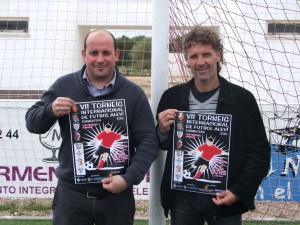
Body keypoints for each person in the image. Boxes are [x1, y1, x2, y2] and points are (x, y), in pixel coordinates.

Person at [25, 29, 158, 225]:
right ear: (84, 54)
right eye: (94, 53)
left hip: (117, 198)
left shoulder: (133, 93)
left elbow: (148, 141)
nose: (100, 59)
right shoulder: (63, 85)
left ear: (117, 54)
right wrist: (51, 110)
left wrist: (128, 178)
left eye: (106, 53)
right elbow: (32, 123)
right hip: (71, 196)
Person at [156, 26, 270, 225]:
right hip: (183, 197)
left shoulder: (242, 99)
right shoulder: (171, 97)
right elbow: (160, 143)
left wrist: (239, 191)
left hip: (225, 195)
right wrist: (162, 130)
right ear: (187, 60)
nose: (200, 62)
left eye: (206, 54)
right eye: (194, 56)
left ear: (218, 55)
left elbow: (259, 153)